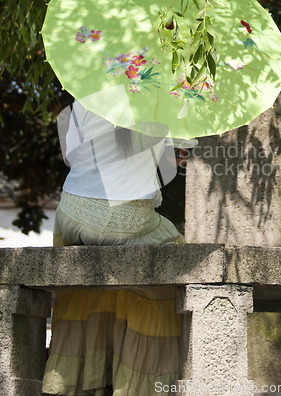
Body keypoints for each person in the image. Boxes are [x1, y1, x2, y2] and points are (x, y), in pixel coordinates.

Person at [42, 100, 197, 396]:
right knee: (174, 251)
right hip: (125, 219)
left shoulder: (88, 93)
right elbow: (174, 162)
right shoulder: (163, 95)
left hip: (71, 213)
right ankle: (140, 380)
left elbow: (69, 158)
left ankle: (87, 373)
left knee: (92, 280)